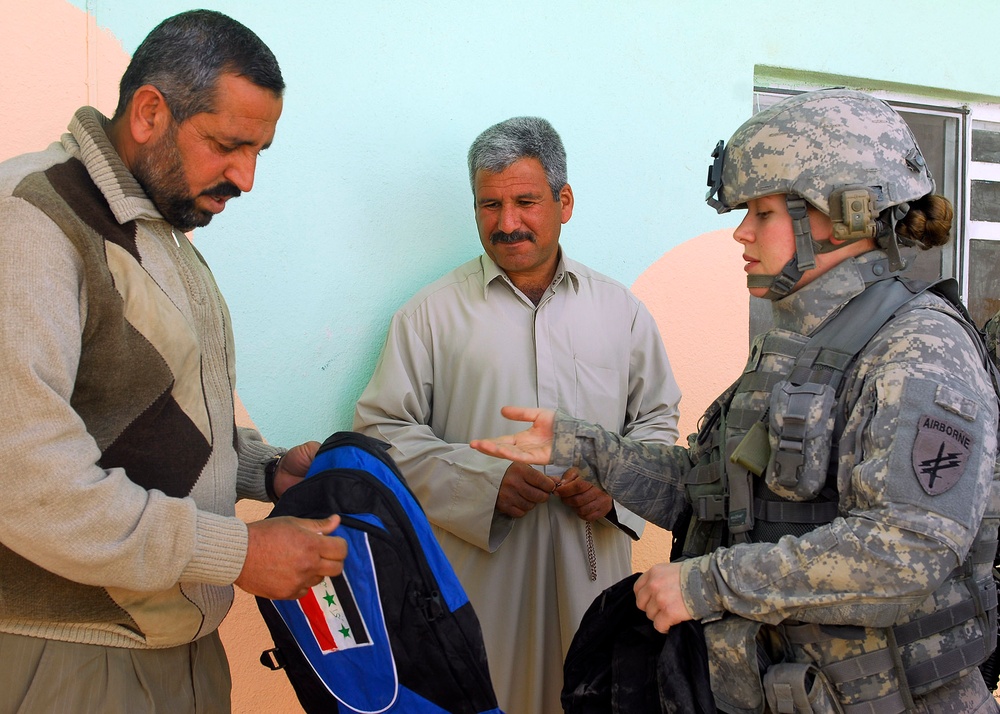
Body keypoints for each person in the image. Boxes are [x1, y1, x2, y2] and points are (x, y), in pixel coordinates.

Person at [470, 89, 1000, 713]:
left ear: (844, 215)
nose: (742, 233)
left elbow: (905, 551)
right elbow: (713, 496)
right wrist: (584, 447)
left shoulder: (918, 347)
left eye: (763, 212)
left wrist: (706, 584)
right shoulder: (797, 341)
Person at [0, 10, 347, 713]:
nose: (246, 176)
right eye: (227, 144)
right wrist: (240, 555)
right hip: (72, 658)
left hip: (180, 654)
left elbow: (140, 416)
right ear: (151, 112)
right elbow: (24, 478)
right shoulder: (30, 220)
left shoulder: (162, 227)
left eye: (260, 151)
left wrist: (263, 470)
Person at [353, 116, 681, 714]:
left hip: (595, 578)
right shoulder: (430, 316)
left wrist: (617, 492)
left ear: (564, 201)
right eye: (490, 205)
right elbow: (381, 434)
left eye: (526, 202)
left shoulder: (622, 314)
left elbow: (658, 423)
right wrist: (482, 483)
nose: (507, 224)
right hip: (477, 587)